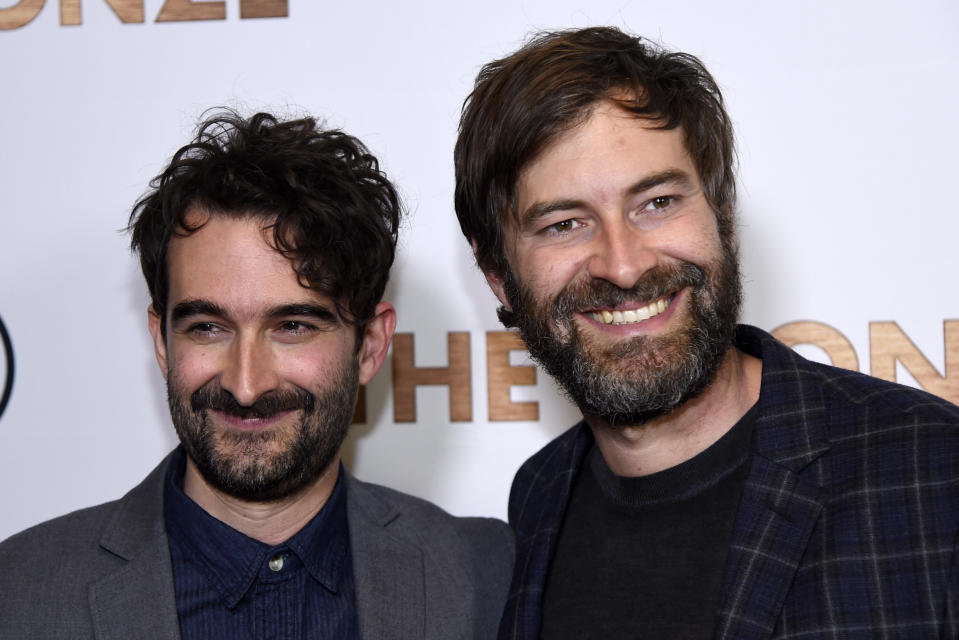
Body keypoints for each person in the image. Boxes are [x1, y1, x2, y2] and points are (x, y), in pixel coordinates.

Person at [454, 26, 959, 638]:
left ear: (723, 217)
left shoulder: (932, 469)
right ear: (501, 280)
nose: (624, 263)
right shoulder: (536, 500)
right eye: (564, 224)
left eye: (658, 202)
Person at [0, 110, 512, 639]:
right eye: (207, 328)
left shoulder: (487, 577)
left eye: (292, 326)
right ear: (161, 341)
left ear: (371, 346)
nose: (246, 385)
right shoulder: (19, 595)